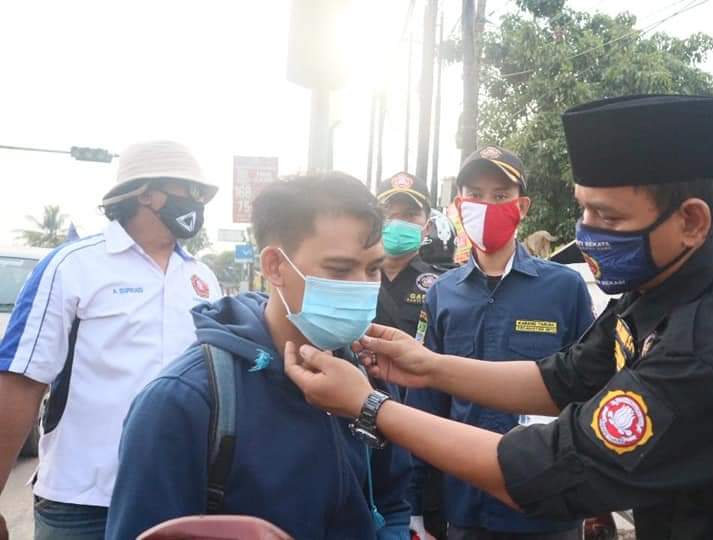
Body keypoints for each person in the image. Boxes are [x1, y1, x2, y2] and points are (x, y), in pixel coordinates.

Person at [281, 96, 713, 539]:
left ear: (691, 221)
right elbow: (561, 377)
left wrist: (369, 406)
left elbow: (542, 473)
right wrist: (429, 368)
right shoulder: (660, 289)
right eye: (582, 209)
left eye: (606, 217)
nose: (587, 235)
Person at [105, 173, 412, 540]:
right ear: (275, 267)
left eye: (373, 268)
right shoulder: (184, 400)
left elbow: (391, 504)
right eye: (340, 269)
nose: (364, 287)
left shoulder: (363, 374)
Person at [0, 140, 222, 540]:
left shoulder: (203, 279)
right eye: (189, 190)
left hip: (179, 499)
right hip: (83, 504)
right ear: (146, 193)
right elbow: (21, 381)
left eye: (202, 195)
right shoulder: (74, 266)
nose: (198, 203)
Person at [404, 146, 594, 540]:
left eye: (500, 195)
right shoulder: (442, 293)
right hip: (464, 506)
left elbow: (590, 391)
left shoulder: (564, 288)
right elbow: (426, 404)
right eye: (474, 195)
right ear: (459, 205)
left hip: (546, 504)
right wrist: (419, 504)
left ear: (522, 206)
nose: (486, 205)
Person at [374, 172, 448, 540]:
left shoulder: (442, 286)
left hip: (421, 430)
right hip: (356, 420)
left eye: (410, 214)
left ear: (427, 224)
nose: (399, 222)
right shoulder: (349, 278)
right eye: (391, 211)